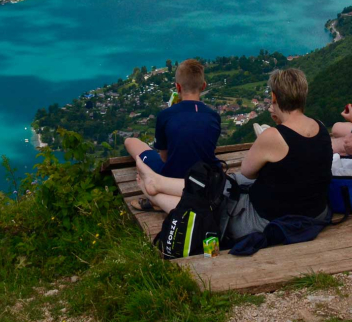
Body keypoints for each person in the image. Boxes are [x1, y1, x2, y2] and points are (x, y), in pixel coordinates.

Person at [135, 68, 332, 242]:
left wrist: (274, 131)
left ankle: (157, 191)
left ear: (274, 98)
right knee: (223, 184)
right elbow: (298, 160)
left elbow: (247, 172)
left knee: (214, 200)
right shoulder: (320, 127)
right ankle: (157, 184)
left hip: (266, 221)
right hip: (315, 214)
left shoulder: (274, 136)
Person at [124, 59, 221, 181]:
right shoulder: (213, 116)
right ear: (203, 86)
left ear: (178, 87)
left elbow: (164, 158)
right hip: (207, 175)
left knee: (130, 142)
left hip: (173, 176)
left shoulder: (166, 115)